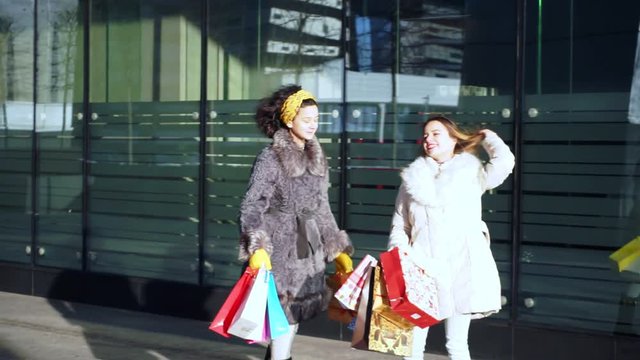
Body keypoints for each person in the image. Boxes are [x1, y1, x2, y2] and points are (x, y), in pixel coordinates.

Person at [238, 84, 354, 360]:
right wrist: (258, 248)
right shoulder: (270, 156)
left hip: (308, 247)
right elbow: (252, 204)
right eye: (307, 119)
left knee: (293, 318)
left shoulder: (317, 155)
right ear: (289, 120)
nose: (314, 125)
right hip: (278, 249)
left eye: (316, 119)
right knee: (284, 319)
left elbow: (321, 206)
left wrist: (335, 247)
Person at [387, 115, 515, 360]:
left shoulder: (471, 173)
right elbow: (399, 225)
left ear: (454, 138)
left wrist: (489, 137)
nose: (428, 139)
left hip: (461, 268)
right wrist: (399, 259)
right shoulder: (412, 180)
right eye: (425, 135)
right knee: (413, 344)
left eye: (436, 133)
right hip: (422, 268)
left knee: (456, 344)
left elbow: (505, 162)